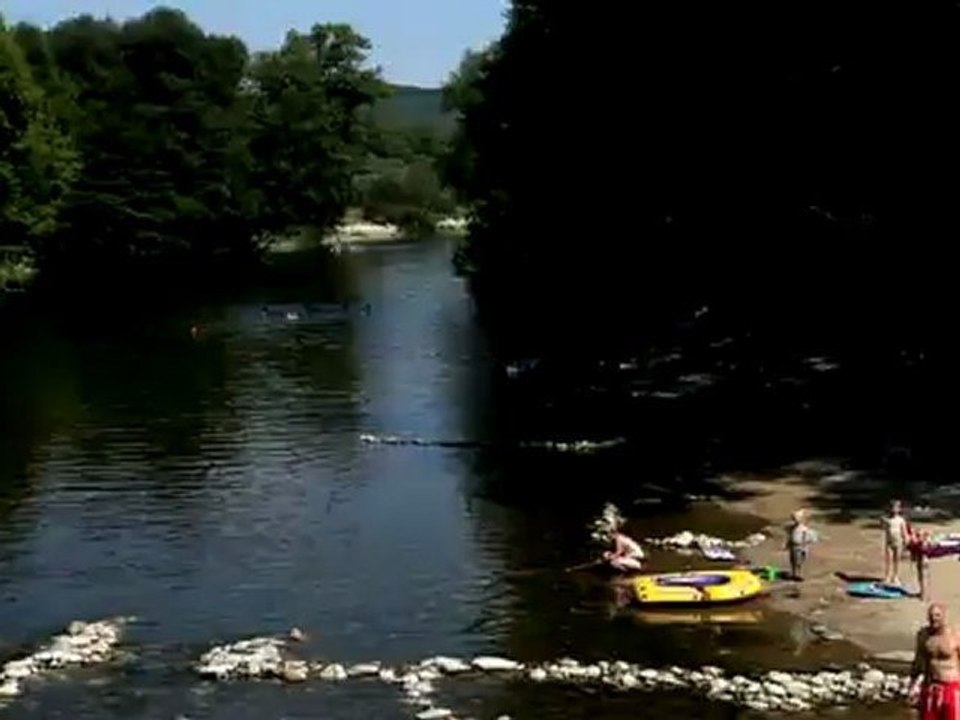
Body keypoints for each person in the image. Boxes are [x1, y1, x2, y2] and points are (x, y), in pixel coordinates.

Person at [909, 603, 960, 719]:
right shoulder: (923, 635)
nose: (934, 618)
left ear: (944, 616)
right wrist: (912, 685)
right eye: (931, 615)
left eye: (937, 615)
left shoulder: (955, 635)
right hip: (930, 687)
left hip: (950, 688)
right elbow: (918, 662)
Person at [883, 499, 910, 585]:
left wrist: (906, 540)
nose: (894, 509)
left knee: (897, 560)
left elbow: (904, 532)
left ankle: (896, 577)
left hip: (898, 542)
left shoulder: (901, 520)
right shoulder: (887, 520)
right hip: (889, 542)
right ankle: (887, 576)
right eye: (892, 507)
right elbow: (885, 529)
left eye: (896, 508)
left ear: (899, 509)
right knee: (888, 560)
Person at [785, 509, 816, 581]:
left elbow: (808, 537)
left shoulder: (804, 528)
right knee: (793, 560)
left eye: (797, 519)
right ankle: (794, 573)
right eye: (794, 519)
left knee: (801, 561)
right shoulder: (792, 528)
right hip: (794, 546)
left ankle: (800, 574)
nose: (795, 521)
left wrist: (805, 543)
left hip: (801, 546)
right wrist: (788, 544)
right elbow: (790, 536)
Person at [910, 527, 933, 601]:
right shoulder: (925, 542)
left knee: (923, 577)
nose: (918, 537)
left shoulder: (922, 543)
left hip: (923, 562)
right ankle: (925, 593)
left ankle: (923, 594)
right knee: (924, 577)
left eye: (919, 535)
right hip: (923, 561)